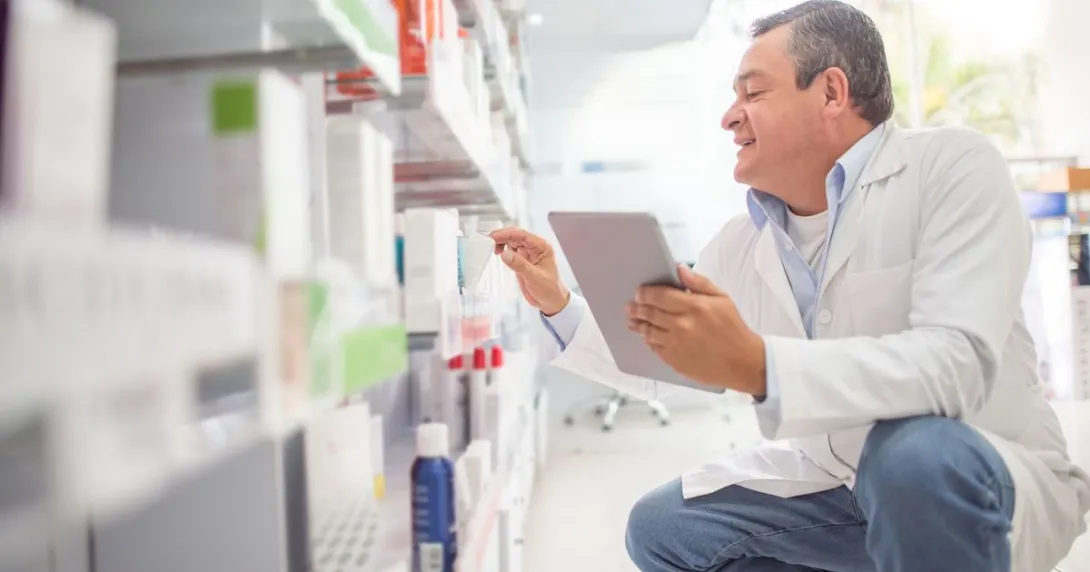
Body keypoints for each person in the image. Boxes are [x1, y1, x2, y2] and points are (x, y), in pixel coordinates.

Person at [490, 1, 1090, 570]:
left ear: (831, 92)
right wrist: (560, 303)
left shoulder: (950, 167)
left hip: (971, 474)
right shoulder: (742, 241)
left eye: (752, 93)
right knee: (663, 528)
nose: (729, 116)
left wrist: (760, 366)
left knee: (910, 459)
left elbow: (957, 364)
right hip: (841, 482)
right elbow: (659, 365)